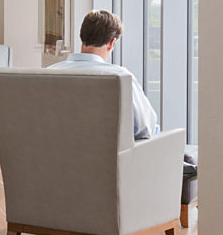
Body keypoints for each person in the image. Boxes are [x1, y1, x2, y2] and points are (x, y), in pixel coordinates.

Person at [47, 9, 159, 140]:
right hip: (108, 157)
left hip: (56, 153)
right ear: (112, 42)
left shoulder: (48, 73)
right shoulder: (120, 76)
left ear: (82, 36)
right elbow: (144, 128)